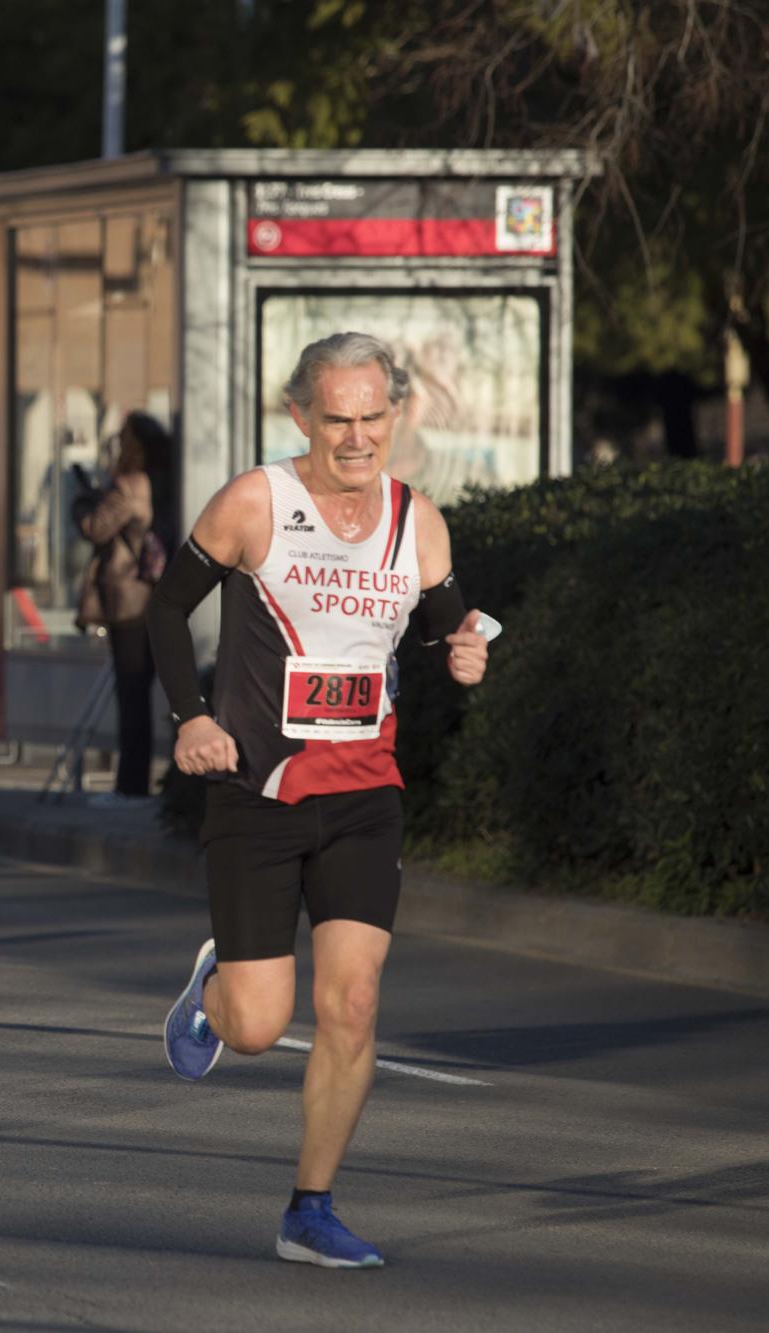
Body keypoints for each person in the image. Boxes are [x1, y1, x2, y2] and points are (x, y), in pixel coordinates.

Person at [145, 331, 491, 1267]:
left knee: (354, 1003)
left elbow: (436, 622)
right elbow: (166, 608)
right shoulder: (258, 501)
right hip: (258, 793)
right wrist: (189, 717)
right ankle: (216, 988)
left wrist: (461, 646)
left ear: (395, 414)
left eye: (372, 416)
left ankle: (311, 1205)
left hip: (366, 793)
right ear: (301, 414)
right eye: (336, 417)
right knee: (259, 1026)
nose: (355, 436)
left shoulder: (417, 520)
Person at [73, 411, 174, 803]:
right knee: (144, 692)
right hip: (160, 600)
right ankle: (142, 781)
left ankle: (131, 785)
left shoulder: (131, 485)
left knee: (132, 696)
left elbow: (96, 526)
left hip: (130, 602)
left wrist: (81, 501)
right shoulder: (168, 481)